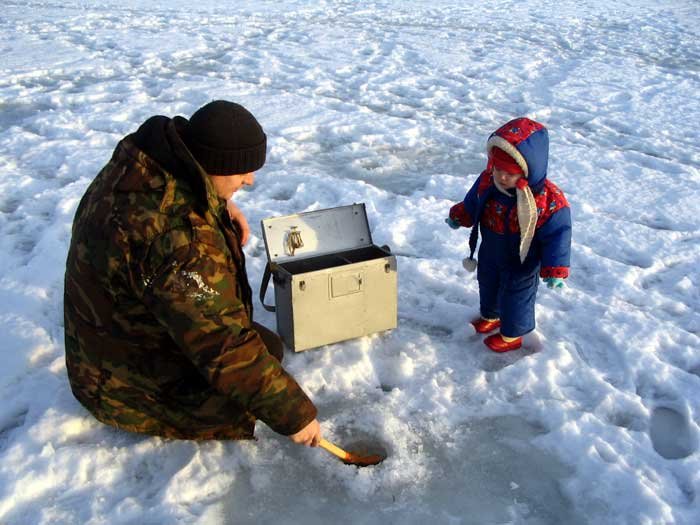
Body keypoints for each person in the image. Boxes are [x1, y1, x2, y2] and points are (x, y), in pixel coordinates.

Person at [64, 100, 321, 445]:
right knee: (243, 400)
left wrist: (220, 203)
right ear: (213, 163)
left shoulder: (143, 166)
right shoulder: (177, 242)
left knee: (267, 348)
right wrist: (295, 416)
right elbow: (223, 345)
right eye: (241, 170)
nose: (250, 179)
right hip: (116, 386)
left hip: (110, 337)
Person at [446, 117, 571, 352]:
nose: (501, 177)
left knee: (517, 295)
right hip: (491, 248)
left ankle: (512, 334)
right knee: (488, 283)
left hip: (523, 257)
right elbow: (474, 202)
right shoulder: (488, 182)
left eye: (509, 173)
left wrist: (555, 268)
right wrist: (460, 215)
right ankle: (491, 316)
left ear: (527, 171)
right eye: (498, 169)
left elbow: (558, 234)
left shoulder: (547, 199)